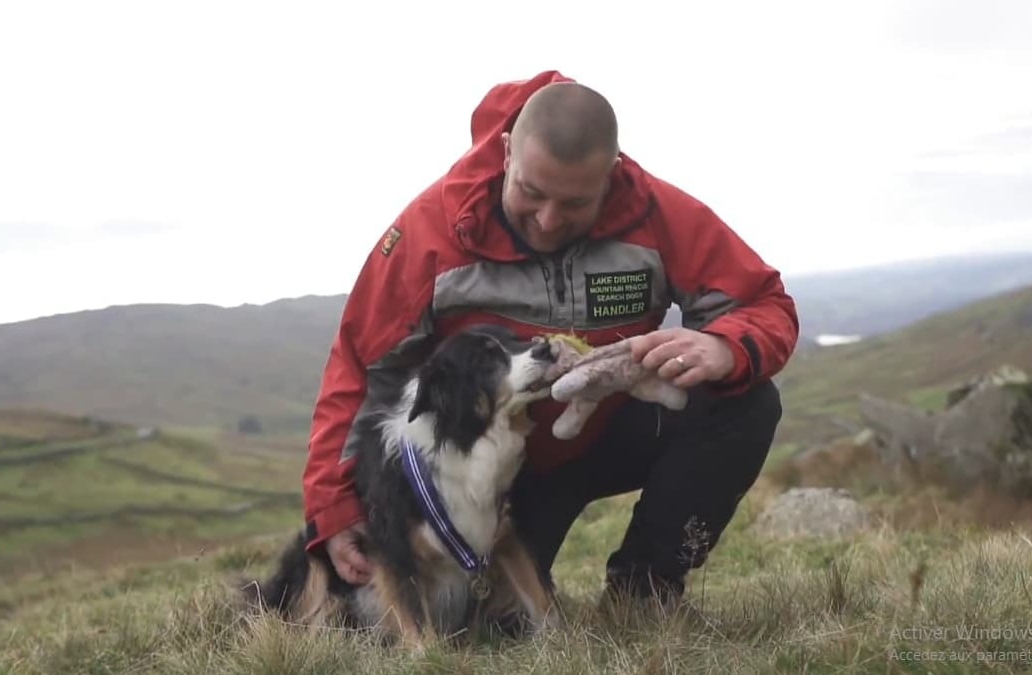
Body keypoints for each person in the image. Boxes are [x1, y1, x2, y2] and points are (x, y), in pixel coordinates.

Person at [301, 70, 799, 613]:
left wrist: (725, 346)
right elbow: (363, 367)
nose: (547, 220)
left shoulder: (658, 213)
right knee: (493, 627)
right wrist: (333, 503)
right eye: (531, 194)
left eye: (575, 204)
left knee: (747, 402)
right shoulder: (430, 230)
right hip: (489, 475)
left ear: (611, 175)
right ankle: (509, 588)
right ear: (508, 152)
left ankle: (646, 590)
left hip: (608, 431)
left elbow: (763, 302)